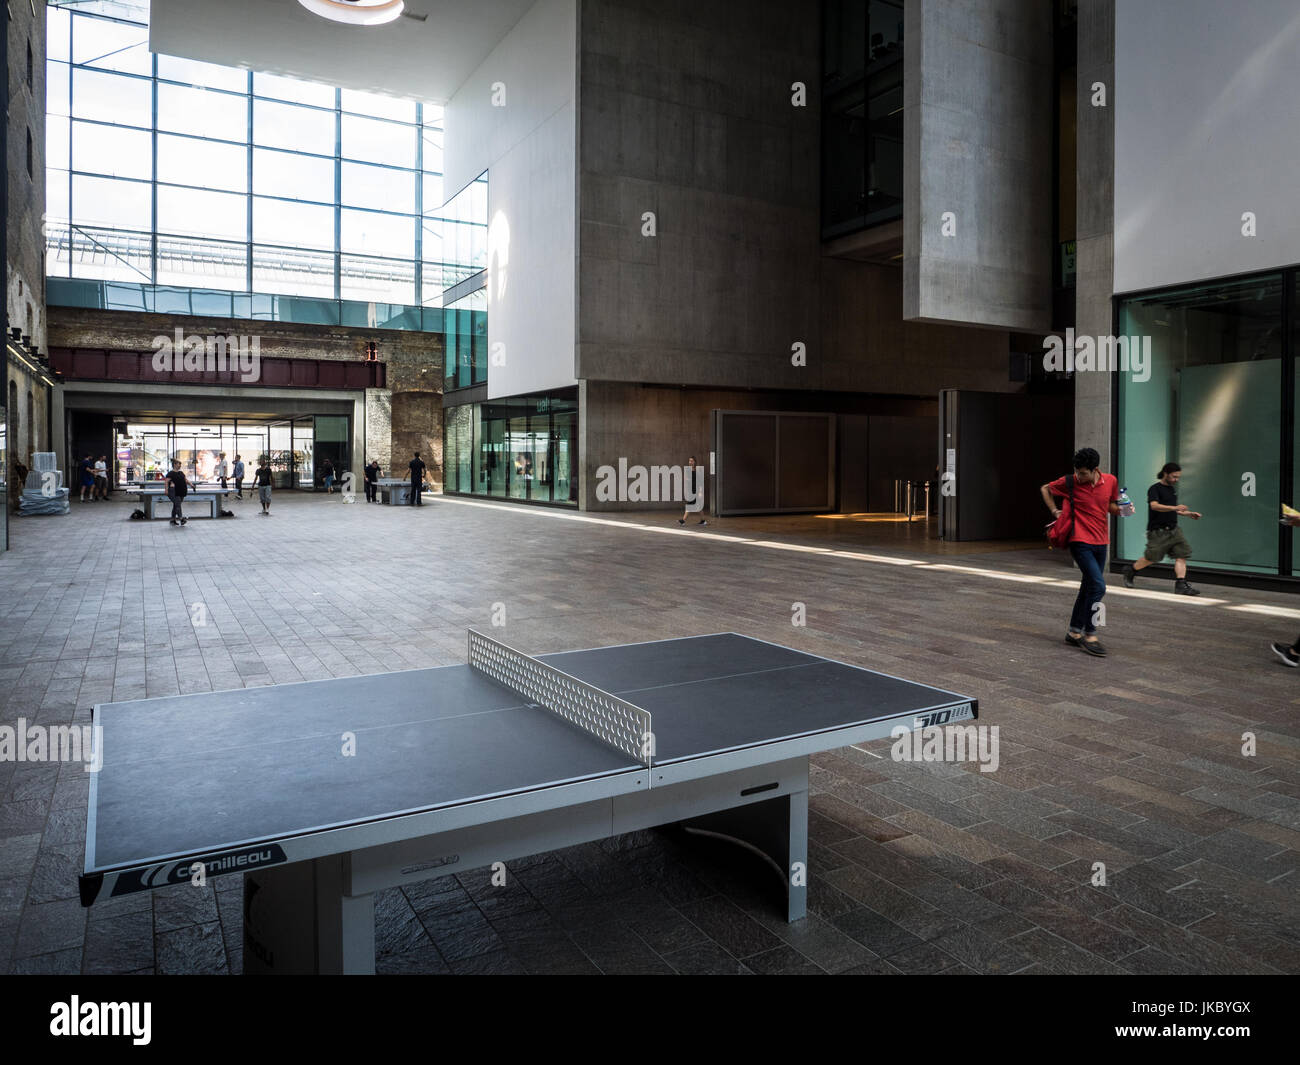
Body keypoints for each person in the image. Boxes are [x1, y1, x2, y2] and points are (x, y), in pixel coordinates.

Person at [1040, 447, 1121, 657]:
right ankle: (1090, 634)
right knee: (1098, 585)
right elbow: (1045, 489)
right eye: (1077, 471)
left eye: (1083, 473)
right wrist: (1054, 511)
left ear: (1096, 470)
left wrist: (1123, 509)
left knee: (1087, 586)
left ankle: (1074, 632)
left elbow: (1111, 506)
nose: (1079, 476)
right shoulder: (1069, 482)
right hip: (1079, 540)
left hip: (1101, 541)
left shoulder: (1110, 481)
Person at [1122, 462, 1201, 595]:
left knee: (1182, 554)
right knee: (1151, 558)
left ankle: (1181, 585)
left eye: (1178, 477)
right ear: (1166, 474)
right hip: (1158, 531)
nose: (1176, 480)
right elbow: (1154, 506)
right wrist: (1175, 508)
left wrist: (1187, 514)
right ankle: (1131, 570)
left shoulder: (1171, 489)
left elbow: (1171, 509)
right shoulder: (1154, 489)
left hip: (1174, 530)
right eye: (1174, 477)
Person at [676, 455, 708, 527]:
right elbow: (687, 480)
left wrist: (700, 491)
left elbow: (700, 482)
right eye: (689, 461)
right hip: (691, 491)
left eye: (691, 461)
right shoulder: (688, 470)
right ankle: (703, 521)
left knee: (689, 505)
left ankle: (683, 521)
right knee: (698, 506)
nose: (690, 462)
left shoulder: (697, 470)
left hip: (696, 490)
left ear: (695, 462)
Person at [164, 459, 189, 526]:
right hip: (173, 491)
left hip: (181, 491)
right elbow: (166, 482)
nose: (180, 465)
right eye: (179, 464)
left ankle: (172, 519)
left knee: (176, 505)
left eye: (180, 464)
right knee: (178, 504)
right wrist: (166, 490)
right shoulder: (170, 473)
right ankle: (181, 518)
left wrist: (191, 485)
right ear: (174, 465)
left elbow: (185, 480)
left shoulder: (181, 473)